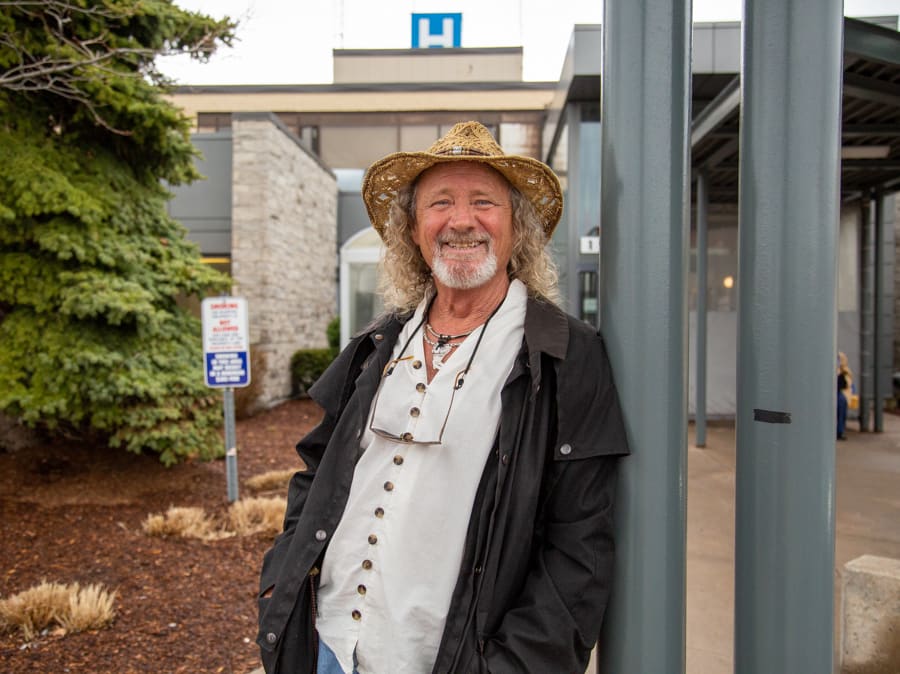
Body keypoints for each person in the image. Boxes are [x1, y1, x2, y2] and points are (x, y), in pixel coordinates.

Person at [256, 121, 630, 674]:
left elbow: (579, 550)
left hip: (450, 660)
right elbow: (317, 472)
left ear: (516, 228)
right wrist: (281, 574)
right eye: (440, 203)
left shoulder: (565, 355)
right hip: (330, 643)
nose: (461, 220)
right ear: (413, 229)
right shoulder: (377, 344)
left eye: (484, 202)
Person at [837, 351, 853, 440]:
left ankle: (840, 431)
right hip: (838, 394)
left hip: (840, 393)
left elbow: (847, 384)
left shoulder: (844, 371)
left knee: (841, 406)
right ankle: (839, 430)